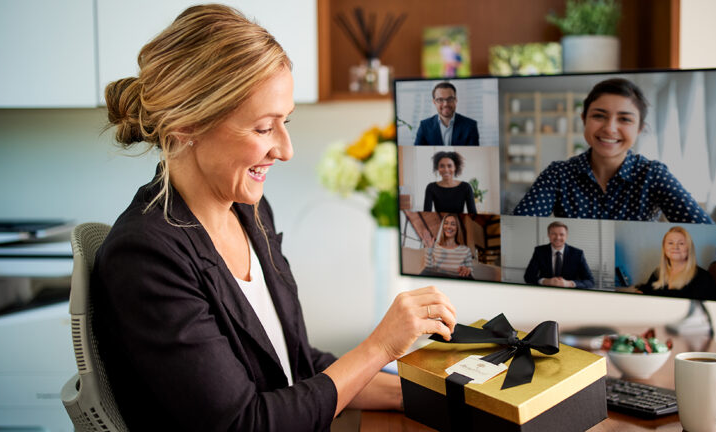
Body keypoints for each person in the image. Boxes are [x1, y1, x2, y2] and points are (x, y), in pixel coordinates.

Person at [92, 5, 456, 431]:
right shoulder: (145, 256)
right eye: (265, 128)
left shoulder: (250, 211)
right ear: (186, 126)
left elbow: (296, 364)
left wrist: (424, 396)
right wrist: (380, 346)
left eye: (285, 123)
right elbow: (245, 423)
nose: (285, 149)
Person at [512, 78, 713, 223]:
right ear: (584, 120)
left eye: (625, 119)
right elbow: (517, 231)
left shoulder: (653, 175)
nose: (610, 128)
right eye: (599, 116)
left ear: (639, 129)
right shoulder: (558, 174)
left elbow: (705, 232)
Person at [636, 226, 716, 299]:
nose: (675, 247)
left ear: (689, 248)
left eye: (681, 243)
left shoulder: (703, 278)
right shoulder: (658, 273)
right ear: (664, 248)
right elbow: (647, 291)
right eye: (670, 243)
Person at [523, 221, 595, 288]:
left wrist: (568, 283)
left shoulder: (577, 254)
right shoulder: (539, 251)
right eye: (554, 234)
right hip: (546, 292)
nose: (558, 237)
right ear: (549, 235)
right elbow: (528, 277)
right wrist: (546, 281)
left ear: (566, 236)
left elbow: (590, 281)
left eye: (561, 234)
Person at [414, 82, 479, 146]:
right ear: (434, 102)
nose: (446, 104)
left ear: (455, 100)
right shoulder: (424, 126)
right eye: (440, 100)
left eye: (450, 99)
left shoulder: (470, 126)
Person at [419, 213, 474, 279]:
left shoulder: (466, 250)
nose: (448, 227)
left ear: (457, 228)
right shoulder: (435, 246)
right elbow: (428, 269)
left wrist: (467, 270)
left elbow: (470, 270)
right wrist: (429, 248)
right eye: (446, 223)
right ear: (443, 226)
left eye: (453, 224)